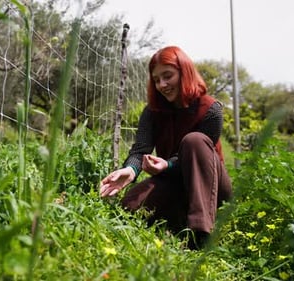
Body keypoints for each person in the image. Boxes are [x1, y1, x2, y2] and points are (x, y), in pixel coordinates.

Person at [99, 46, 232, 250]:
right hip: (174, 182)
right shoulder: (152, 112)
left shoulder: (210, 109)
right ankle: (179, 219)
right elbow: (140, 149)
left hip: (210, 185)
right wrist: (130, 170)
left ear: (184, 71)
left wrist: (167, 165)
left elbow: (198, 157)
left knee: (194, 140)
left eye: (168, 76)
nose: (162, 84)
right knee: (131, 205)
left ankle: (200, 234)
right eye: (156, 79)